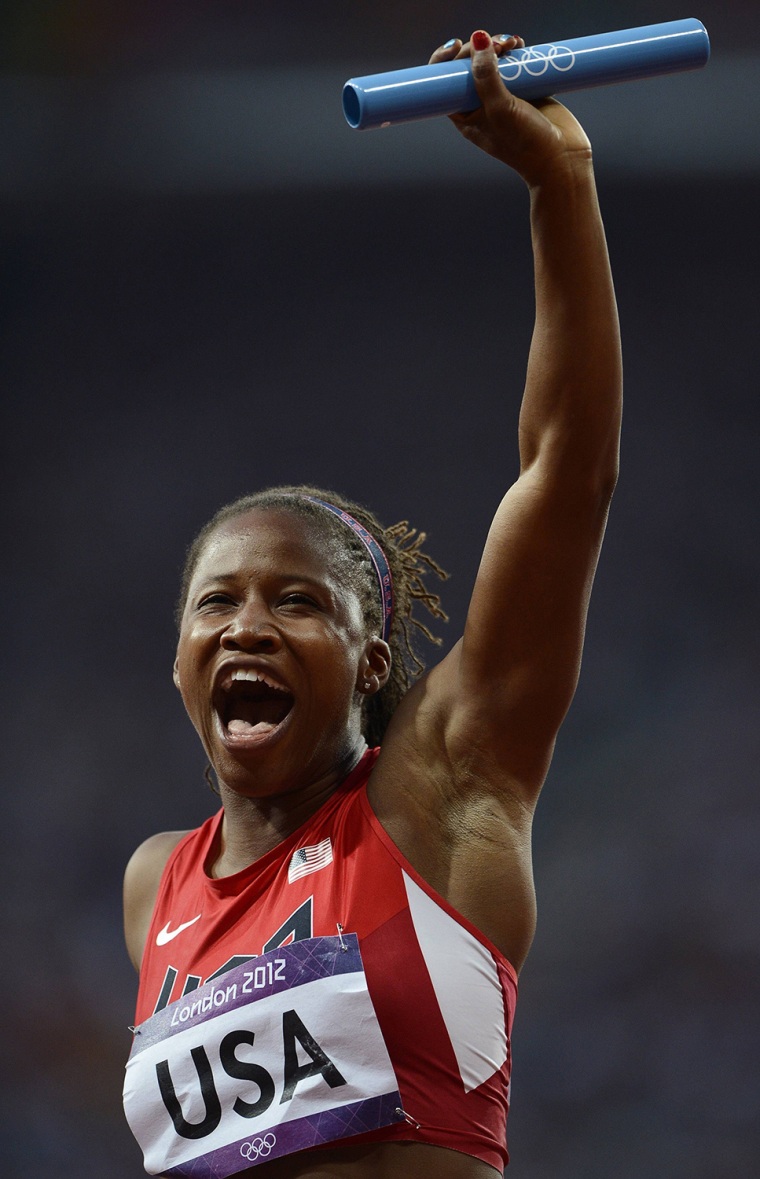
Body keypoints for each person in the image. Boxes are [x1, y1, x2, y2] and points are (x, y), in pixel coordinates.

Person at [122, 27, 622, 1179]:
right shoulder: (157, 884)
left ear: (369, 660)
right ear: (180, 659)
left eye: (295, 600)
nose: (244, 623)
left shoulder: (443, 791)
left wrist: (559, 182)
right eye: (216, 604)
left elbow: (565, 473)